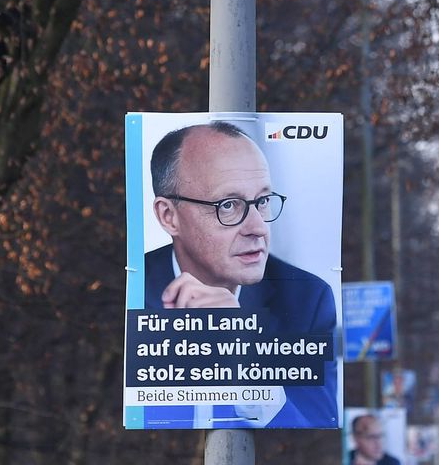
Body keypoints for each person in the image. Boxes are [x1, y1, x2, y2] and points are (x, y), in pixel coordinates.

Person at [142, 121, 337, 428]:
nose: (258, 227)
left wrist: (243, 355)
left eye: (262, 201)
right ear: (169, 216)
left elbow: (315, 429)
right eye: (228, 205)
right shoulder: (130, 291)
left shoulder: (306, 301)